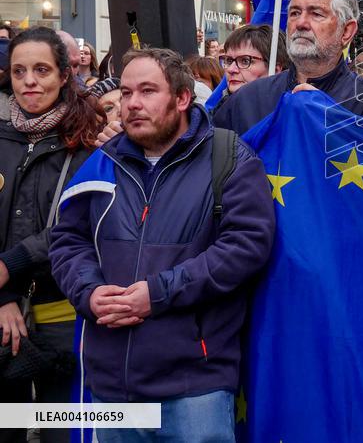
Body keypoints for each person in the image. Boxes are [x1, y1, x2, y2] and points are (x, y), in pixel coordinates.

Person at [50, 48, 276, 443]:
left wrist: (157, 293)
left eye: (148, 91)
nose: (132, 104)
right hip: (111, 386)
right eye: (126, 92)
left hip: (194, 388)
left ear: (182, 98)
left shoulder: (229, 158)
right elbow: (68, 240)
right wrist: (89, 292)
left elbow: (245, 246)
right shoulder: (103, 161)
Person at [0, 27, 103, 443]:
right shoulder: (1, 137)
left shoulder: (91, 143)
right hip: (4, 319)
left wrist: (11, 264)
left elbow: (79, 225)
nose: (29, 81)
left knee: (63, 429)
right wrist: (3, 297)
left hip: (65, 316)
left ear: (65, 75)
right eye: (19, 71)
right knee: (8, 427)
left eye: (41, 70)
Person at [213, 0, 363, 134]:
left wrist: (328, 116)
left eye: (316, 14)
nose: (301, 23)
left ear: (346, 32)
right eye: (295, 13)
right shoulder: (248, 99)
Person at [216, 24, 290, 111]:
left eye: (245, 61)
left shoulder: (290, 115)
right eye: (228, 60)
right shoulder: (217, 114)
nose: (231, 69)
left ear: (275, 69)